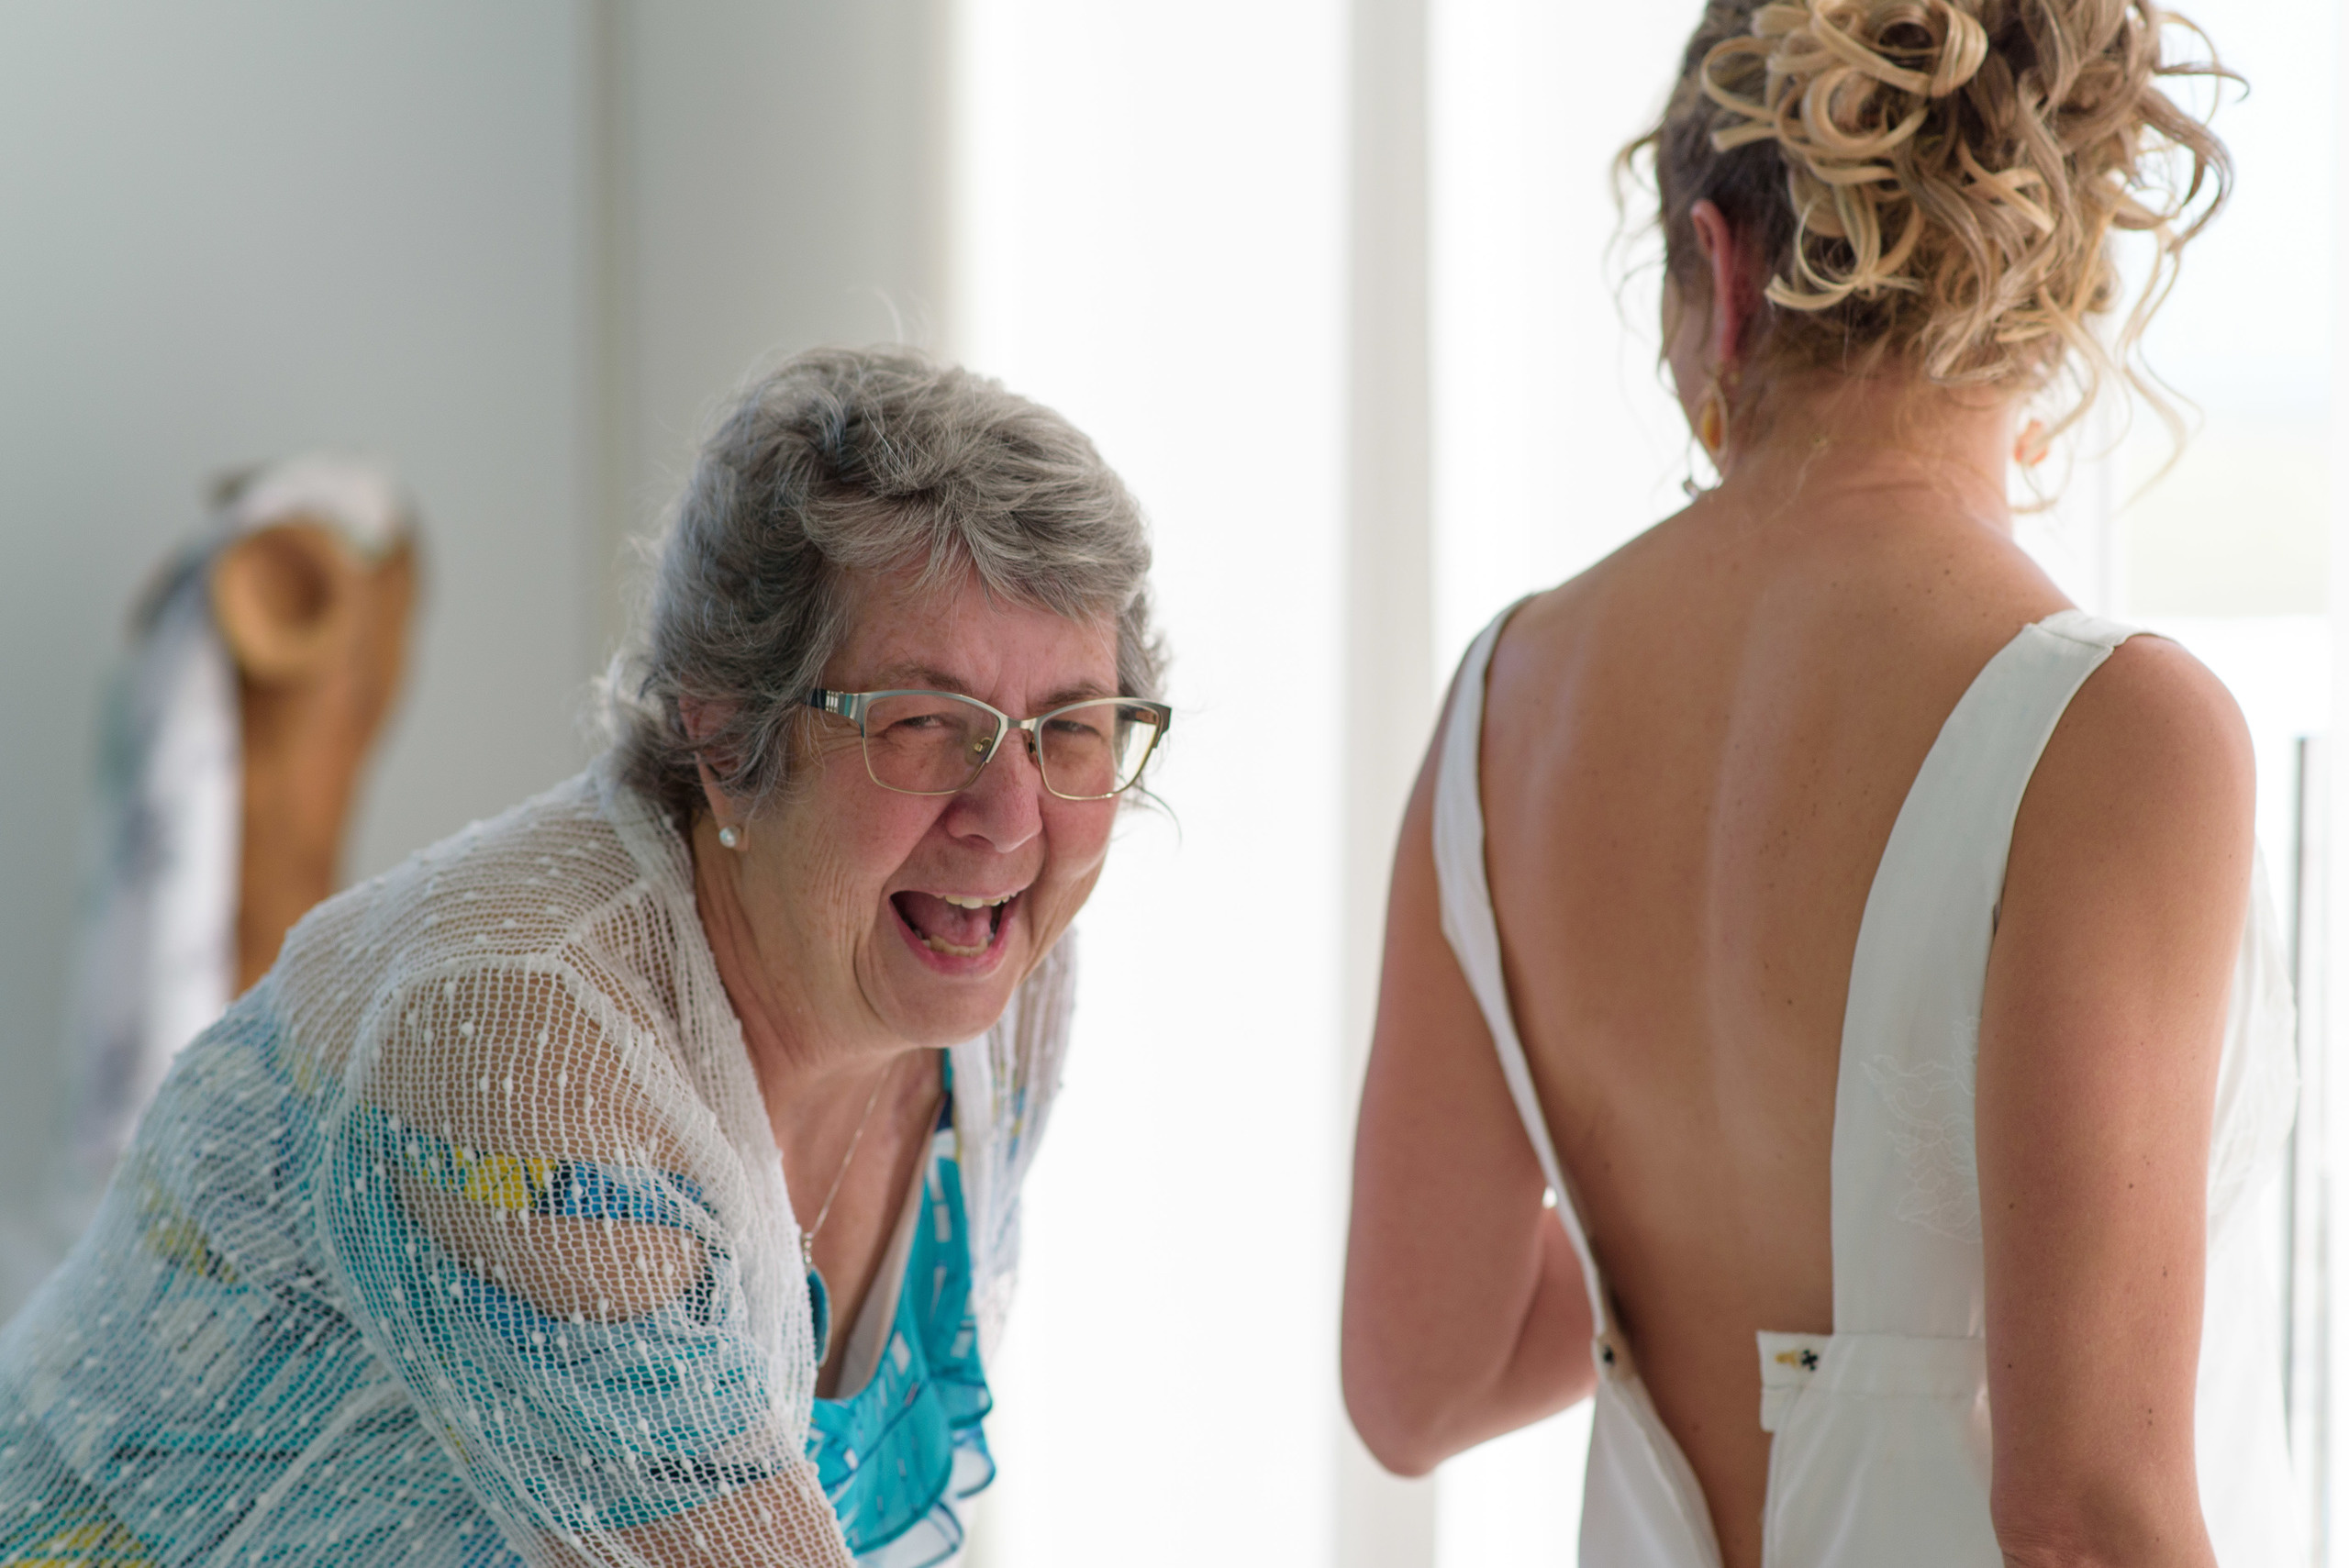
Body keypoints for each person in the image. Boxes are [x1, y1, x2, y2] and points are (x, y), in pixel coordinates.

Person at [1341, 4, 2293, 1566]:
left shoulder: (1505, 701)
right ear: (2051, 282)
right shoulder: (2123, 733)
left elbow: (1412, 1379)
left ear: (1717, 276)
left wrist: (1668, 1211)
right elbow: (2085, 1517)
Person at [0, 347, 1171, 1568]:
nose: (1013, 816)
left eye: (1070, 730)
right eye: (927, 723)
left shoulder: (1000, 980)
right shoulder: (521, 1034)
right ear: (724, 732)